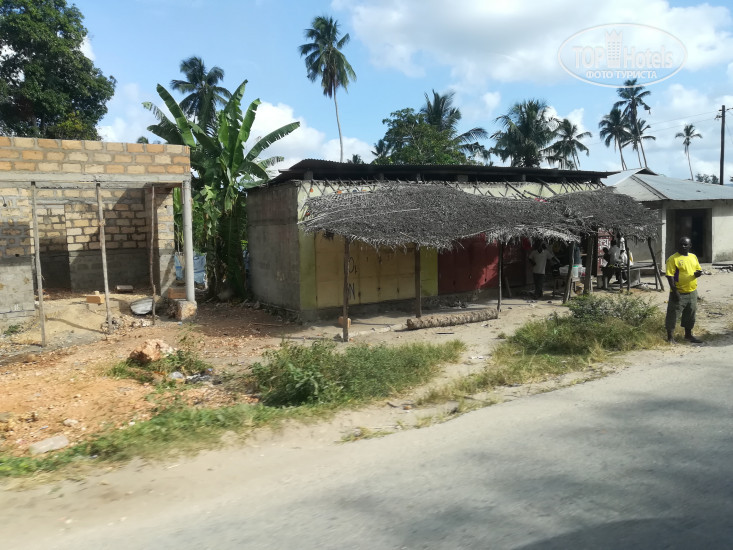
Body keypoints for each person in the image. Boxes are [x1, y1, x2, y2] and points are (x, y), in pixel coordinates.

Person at [665, 236, 703, 344]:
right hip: (678, 292)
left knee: (690, 314)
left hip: (692, 291)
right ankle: (670, 338)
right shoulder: (673, 258)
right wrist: (675, 291)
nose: (683, 246)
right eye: (681, 244)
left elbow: (697, 270)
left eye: (685, 244)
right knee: (673, 314)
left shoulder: (693, 257)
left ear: (690, 246)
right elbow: (670, 276)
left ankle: (688, 335)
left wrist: (698, 274)